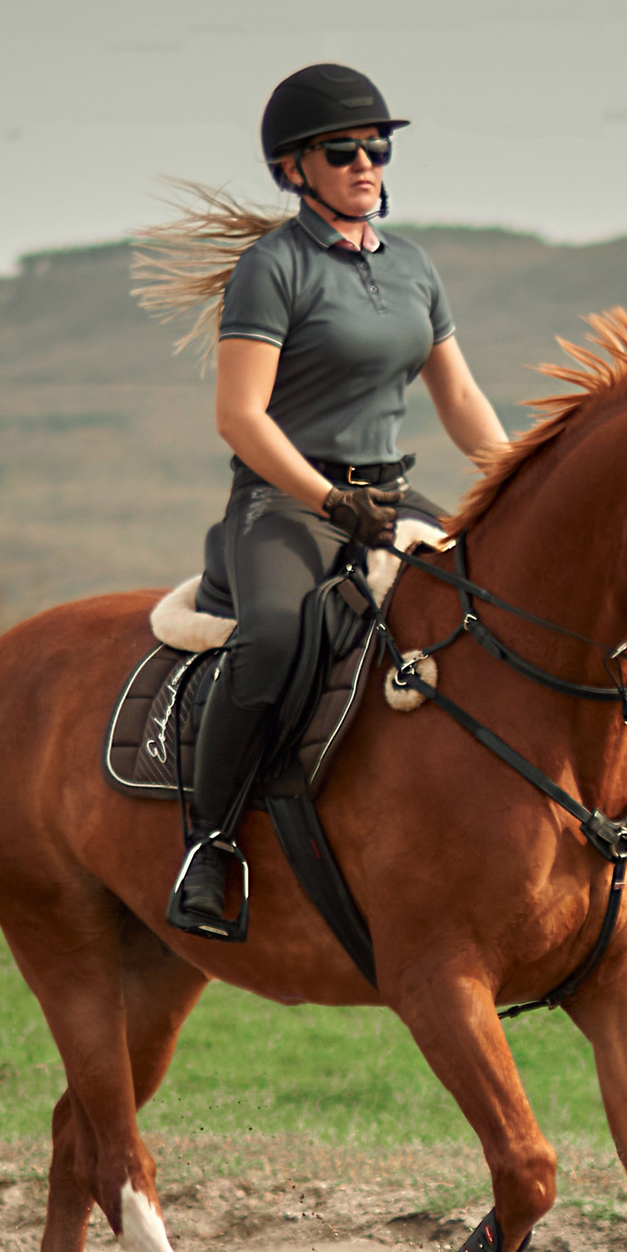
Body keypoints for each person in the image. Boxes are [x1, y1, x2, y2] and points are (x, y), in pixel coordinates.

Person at [163, 63, 511, 940]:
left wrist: (516, 474)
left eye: (378, 148)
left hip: (392, 495)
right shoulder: (271, 268)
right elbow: (239, 417)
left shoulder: (414, 268)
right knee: (277, 636)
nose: (367, 163)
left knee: (499, 603)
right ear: (293, 169)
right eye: (344, 150)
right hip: (285, 505)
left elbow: (460, 400)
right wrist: (324, 496)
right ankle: (211, 848)